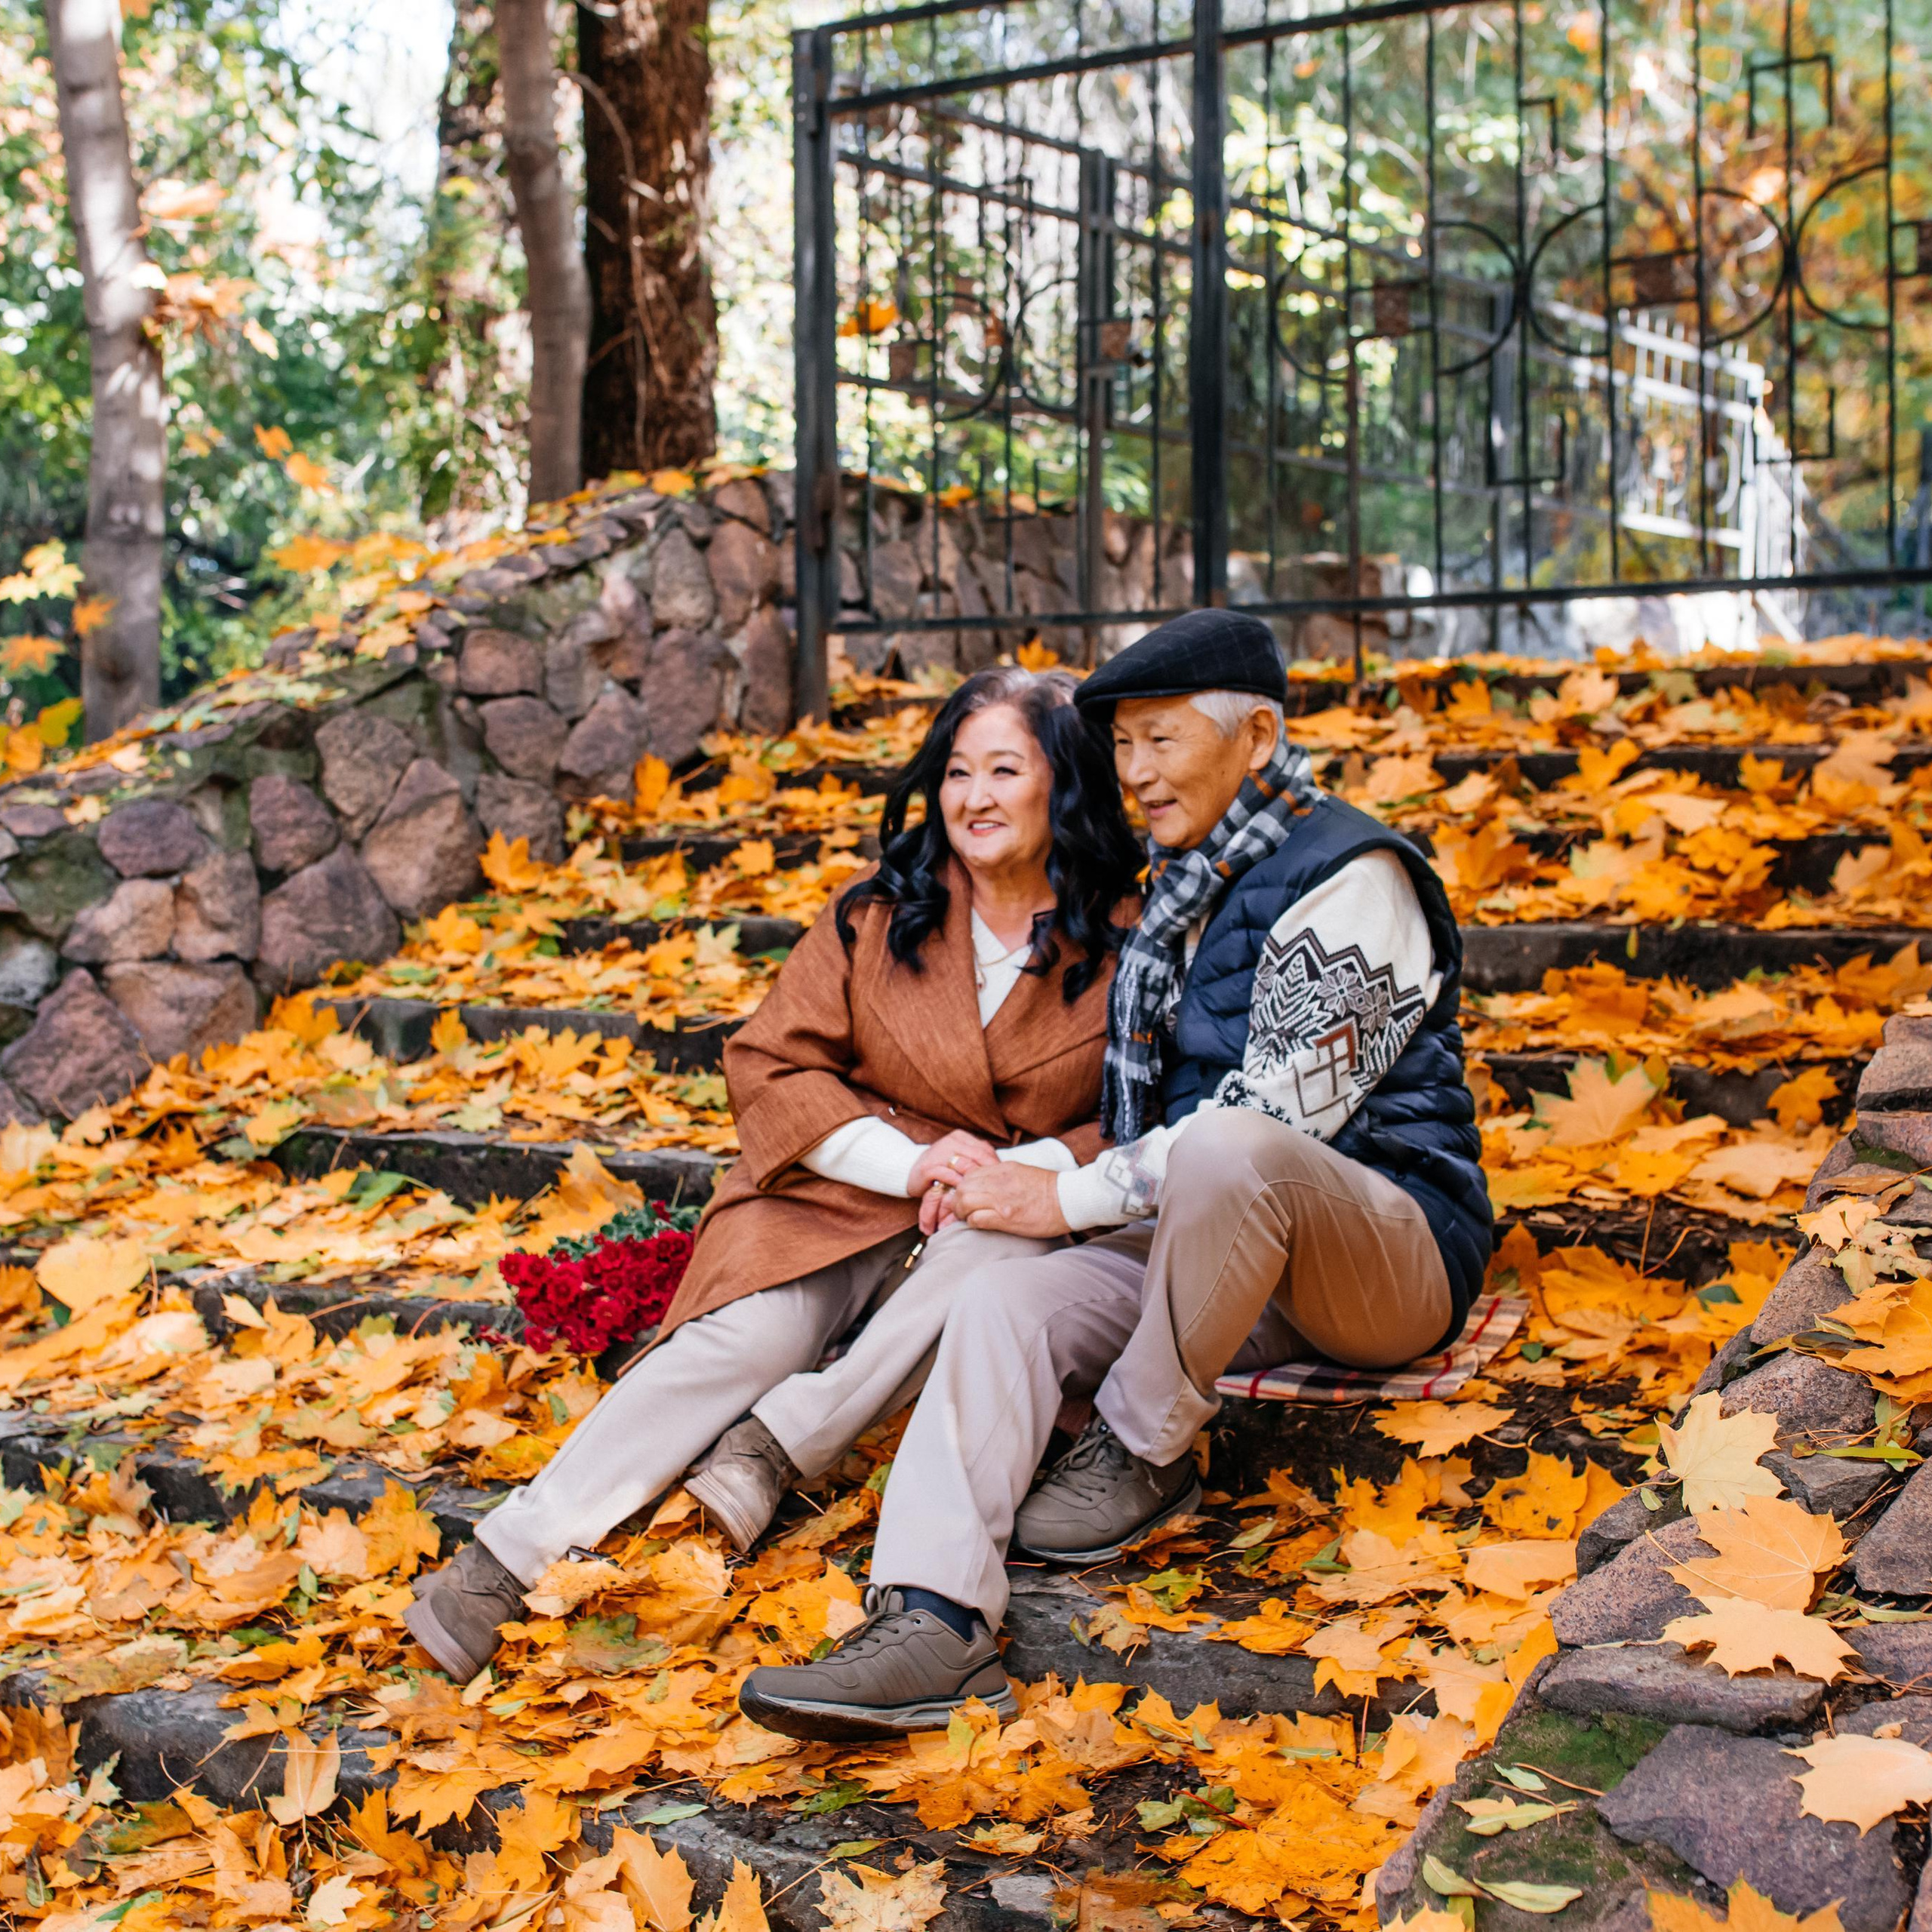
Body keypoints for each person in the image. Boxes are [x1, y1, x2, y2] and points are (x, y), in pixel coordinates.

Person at [738, 608, 1494, 1742]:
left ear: (1257, 736)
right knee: (997, 1292)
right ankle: (931, 1618)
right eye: (1123, 747)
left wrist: (1070, 1196)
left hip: (1380, 1249)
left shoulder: (1355, 874)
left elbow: (1282, 1119)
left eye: (1162, 741)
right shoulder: (1177, 890)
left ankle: (1145, 1449)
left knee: (1239, 1147)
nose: (1134, 774)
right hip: (1213, 1252)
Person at [405, 666, 1143, 1684]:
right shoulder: (879, 916)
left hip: (1009, 1214)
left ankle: (777, 1447)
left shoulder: (1131, 940)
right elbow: (770, 1062)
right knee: (749, 1331)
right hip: (843, 1183)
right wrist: (913, 1161)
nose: (973, 797)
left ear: (1063, 784)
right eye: (957, 771)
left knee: (994, 1260)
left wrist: (1017, 1172)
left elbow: (1150, 1118)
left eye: (1004, 770)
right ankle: (503, 1560)